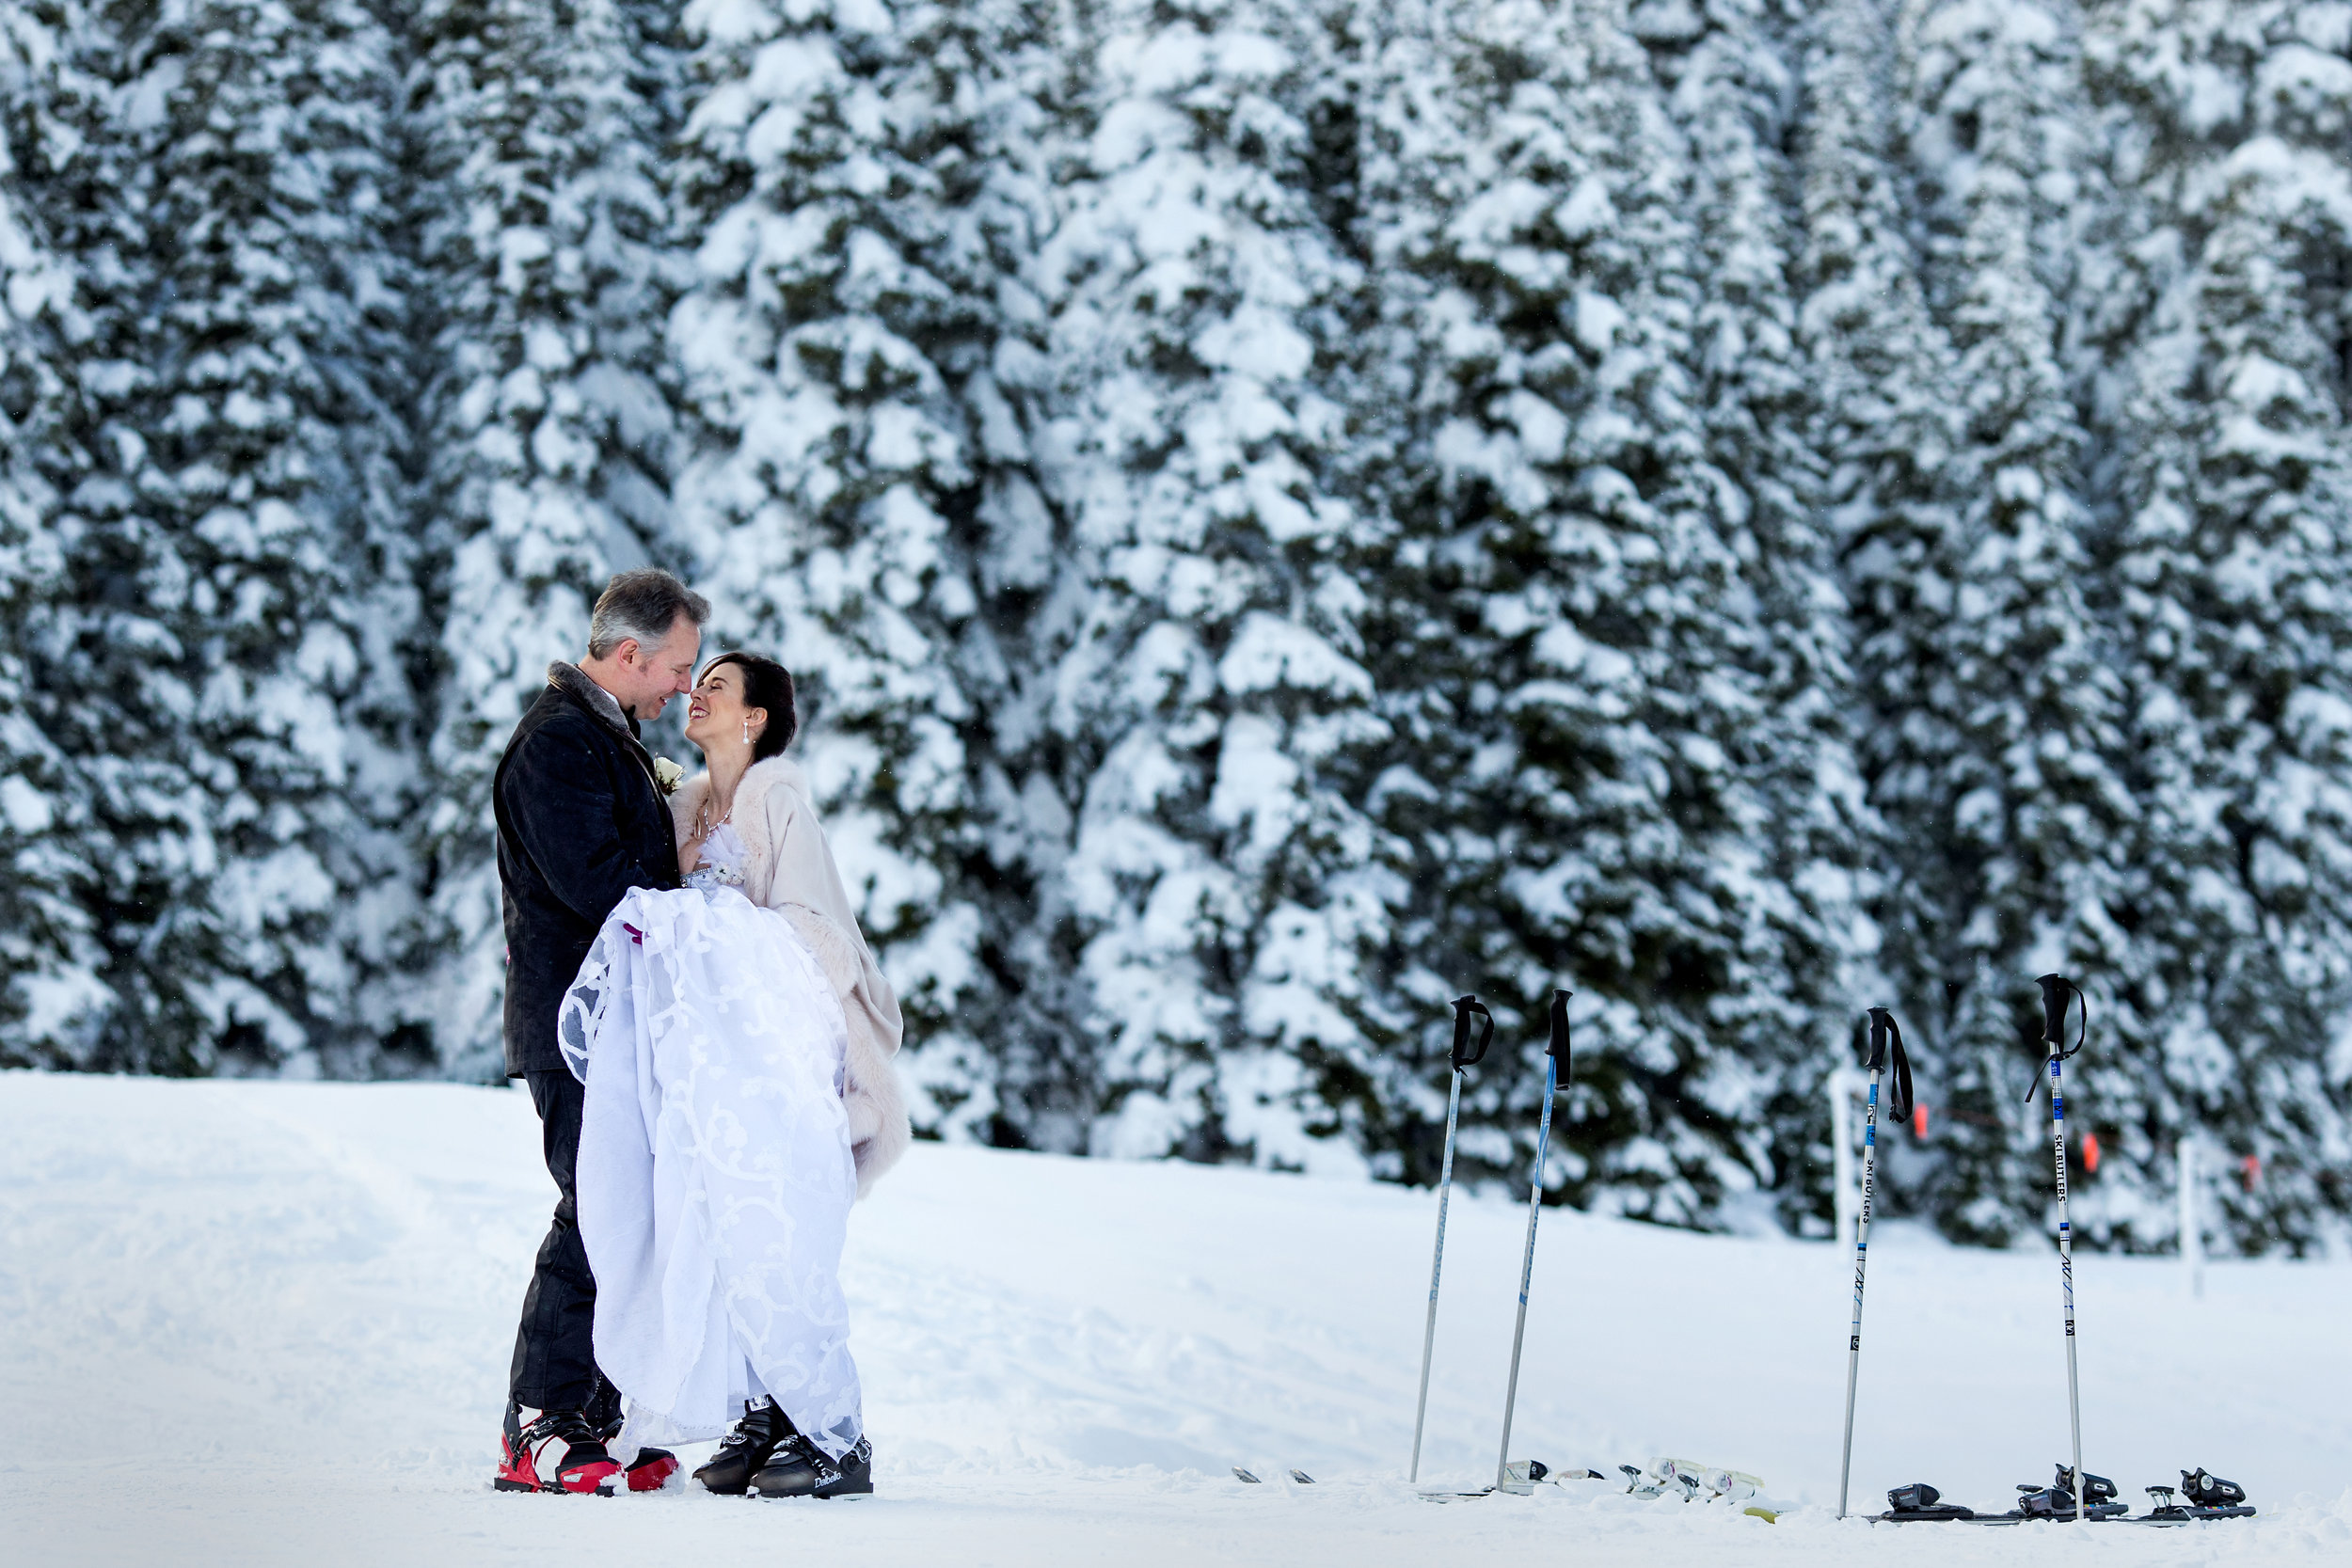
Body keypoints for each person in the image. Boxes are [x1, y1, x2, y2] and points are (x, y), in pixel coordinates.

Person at [557, 650, 909, 1500]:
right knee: (726, 1226)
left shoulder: (776, 796)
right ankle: (767, 1407)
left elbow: (812, 930)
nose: (696, 694)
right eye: (696, 680)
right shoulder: (684, 807)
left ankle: (835, 1431)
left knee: (785, 1229)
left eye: (717, 686)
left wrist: (708, 929)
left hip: (782, 1050)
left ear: (755, 717)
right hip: (719, 1064)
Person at [490, 568, 708, 1496]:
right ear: (630, 654)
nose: (683, 690)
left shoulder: (602, 736)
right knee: (593, 1207)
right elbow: (600, 886)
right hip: (573, 1028)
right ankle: (538, 1419)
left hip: (619, 1025)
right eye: (678, 668)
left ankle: (597, 1417)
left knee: (629, 1214)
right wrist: (701, 908)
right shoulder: (556, 745)